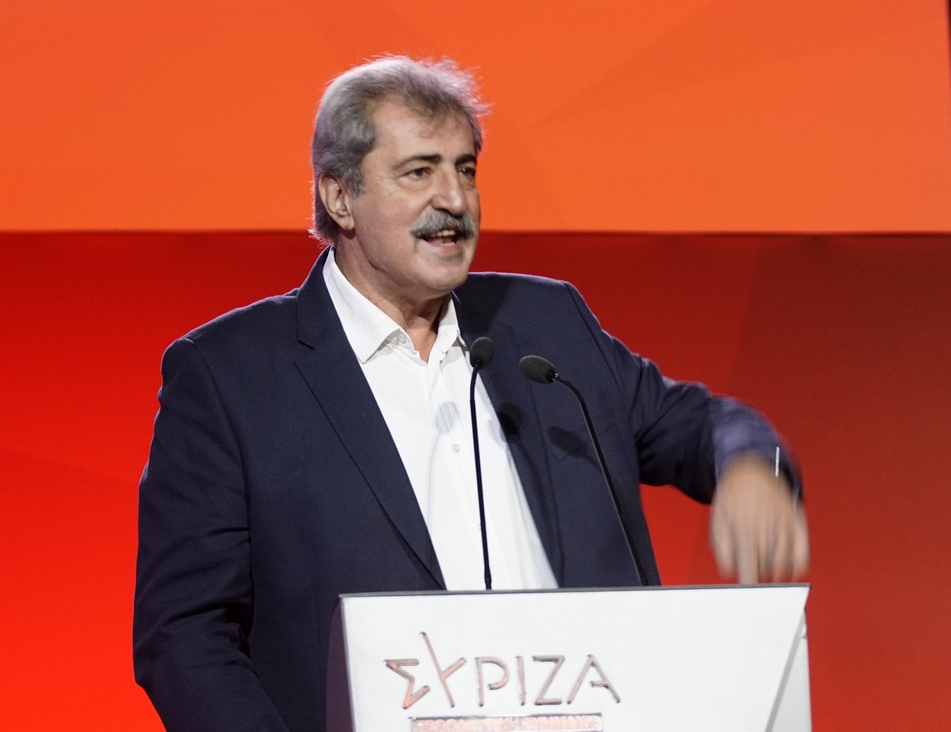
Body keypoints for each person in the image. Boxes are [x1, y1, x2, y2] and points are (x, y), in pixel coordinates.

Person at [133, 56, 809, 732]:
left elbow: (700, 423)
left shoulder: (548, 327)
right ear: (339, 197)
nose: (453, 200)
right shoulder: (231, 376)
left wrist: (753, 465)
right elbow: (184, 635)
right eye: (418, 172)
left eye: (465, 170)